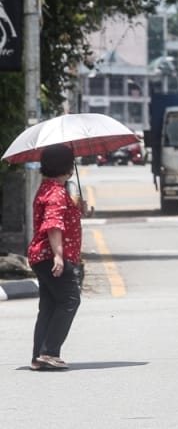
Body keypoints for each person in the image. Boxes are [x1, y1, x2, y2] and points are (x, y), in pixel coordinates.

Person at [27, 143, 92, 370]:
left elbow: (62, 218)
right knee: (70, 300)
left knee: (49, 305)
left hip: (40, 256)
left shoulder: (49, 188)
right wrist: (58, 256)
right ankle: (49, 352)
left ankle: (39, 356)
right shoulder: (56, 193)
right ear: (66, 166)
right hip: (51, 257)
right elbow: (53, 226)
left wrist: (78, 209)